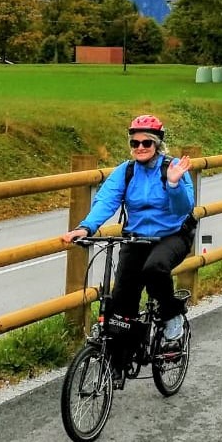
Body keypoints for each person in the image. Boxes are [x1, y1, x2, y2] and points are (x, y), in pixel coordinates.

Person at [60, 114, 195, 348]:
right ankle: (120, 356)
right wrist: (85, 227)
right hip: (136, 238)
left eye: (147, 143)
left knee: (155, 268)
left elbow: (183, 208)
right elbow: (106, 201)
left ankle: (171, 315)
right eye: (135, 143)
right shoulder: (126, 171)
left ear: (157, 144)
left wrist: (173, 185)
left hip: (172, 235)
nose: (140, 147)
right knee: (122, 298)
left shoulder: (172, 168)